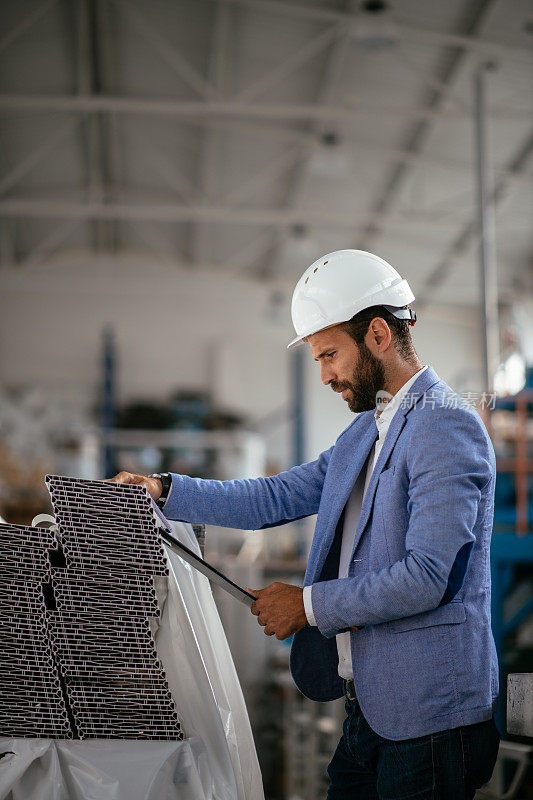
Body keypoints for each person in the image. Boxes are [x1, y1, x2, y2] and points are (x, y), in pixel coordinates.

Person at [112, 249, 500, 799]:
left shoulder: (445, 427)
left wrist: (308, 606)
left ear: (379, 334)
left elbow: (430, 576)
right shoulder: (367, 431)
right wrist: (166, 490)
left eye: (330, 355)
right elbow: (274, 497)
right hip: (370, 709)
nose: (325, 376)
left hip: (430, 718)